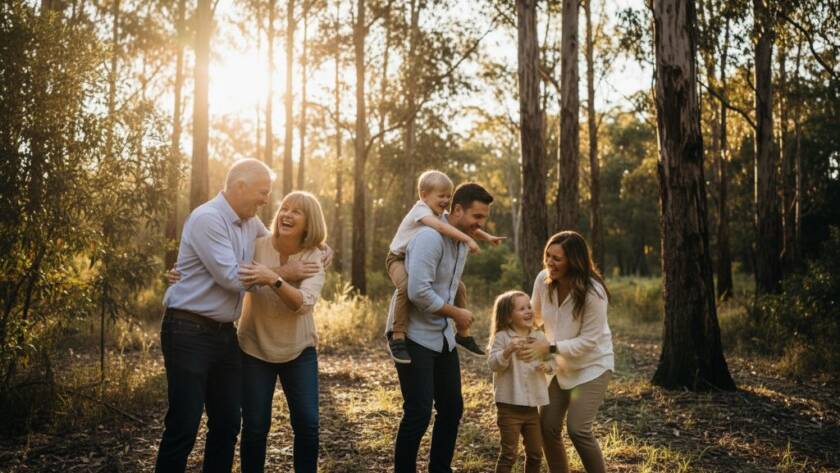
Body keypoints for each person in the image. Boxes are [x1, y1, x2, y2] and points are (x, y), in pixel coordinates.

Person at [155, 159, 274, 473]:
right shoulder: (207, 218)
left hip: (224, 334)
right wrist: (279, 275)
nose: (266, 200)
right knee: (184, 425)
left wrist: (317, 246)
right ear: (240, 187)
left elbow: (278, 246)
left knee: (227, 423)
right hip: (188, 331)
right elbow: (232, 278)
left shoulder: (251, 222)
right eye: (263, 192)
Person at [386, 182, 494, 473]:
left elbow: (450, 284)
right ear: (457, 210)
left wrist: (454, 318)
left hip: (442, 336)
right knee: (418, 413)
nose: (480, 224)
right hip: (414, 334)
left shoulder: (460, 239)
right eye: (477, 217)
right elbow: (418, 292)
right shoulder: (429, 238)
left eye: (484, 218)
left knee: (451, 408)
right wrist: (457, 313)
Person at [236, 191, 328, 473]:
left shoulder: (313, 256)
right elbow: (229, 271)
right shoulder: (256, 246)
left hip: (298, 350)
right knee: (255, 426)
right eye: (284, 208)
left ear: (309, 222)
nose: (286, 214)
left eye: (296, 211)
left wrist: (274, 278)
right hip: (254, 347)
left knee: (307, 424)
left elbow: (303, 305)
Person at [518, 231, 614, 473]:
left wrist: (549, 348)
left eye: (557, 259)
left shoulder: (594, 292)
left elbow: (589, 341)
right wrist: (512, 334)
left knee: (578, 429)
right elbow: (535, 318)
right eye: (547, 256)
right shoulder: (543, 280)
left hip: (592, 366)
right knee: (547, 426)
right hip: (559, 364)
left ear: (574, 261)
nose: (549, 263)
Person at [386, 170, 504, 364]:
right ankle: (397, 335)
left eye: (448, 196)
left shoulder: (439, 215)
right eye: (441, 196)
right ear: (424, 195)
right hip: (397, 257)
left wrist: (487, 237)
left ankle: (463, 334)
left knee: (460, 287)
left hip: (441, 338)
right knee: (406, 287)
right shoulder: (421, 211)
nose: (445, 200)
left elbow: (457, 227)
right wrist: (468, 239)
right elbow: (442, 228)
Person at [487, 290, 554, 473]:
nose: (528, 311)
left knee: (535, 453)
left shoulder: (539, 337)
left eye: (529, 307)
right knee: (509, 454)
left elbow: (552, 359)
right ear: (508, 317)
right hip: (508, 407)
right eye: (522, 309)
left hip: (532, 408)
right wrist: (507, 351)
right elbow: (493, 365)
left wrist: (548, 366)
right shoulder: (502, 337)